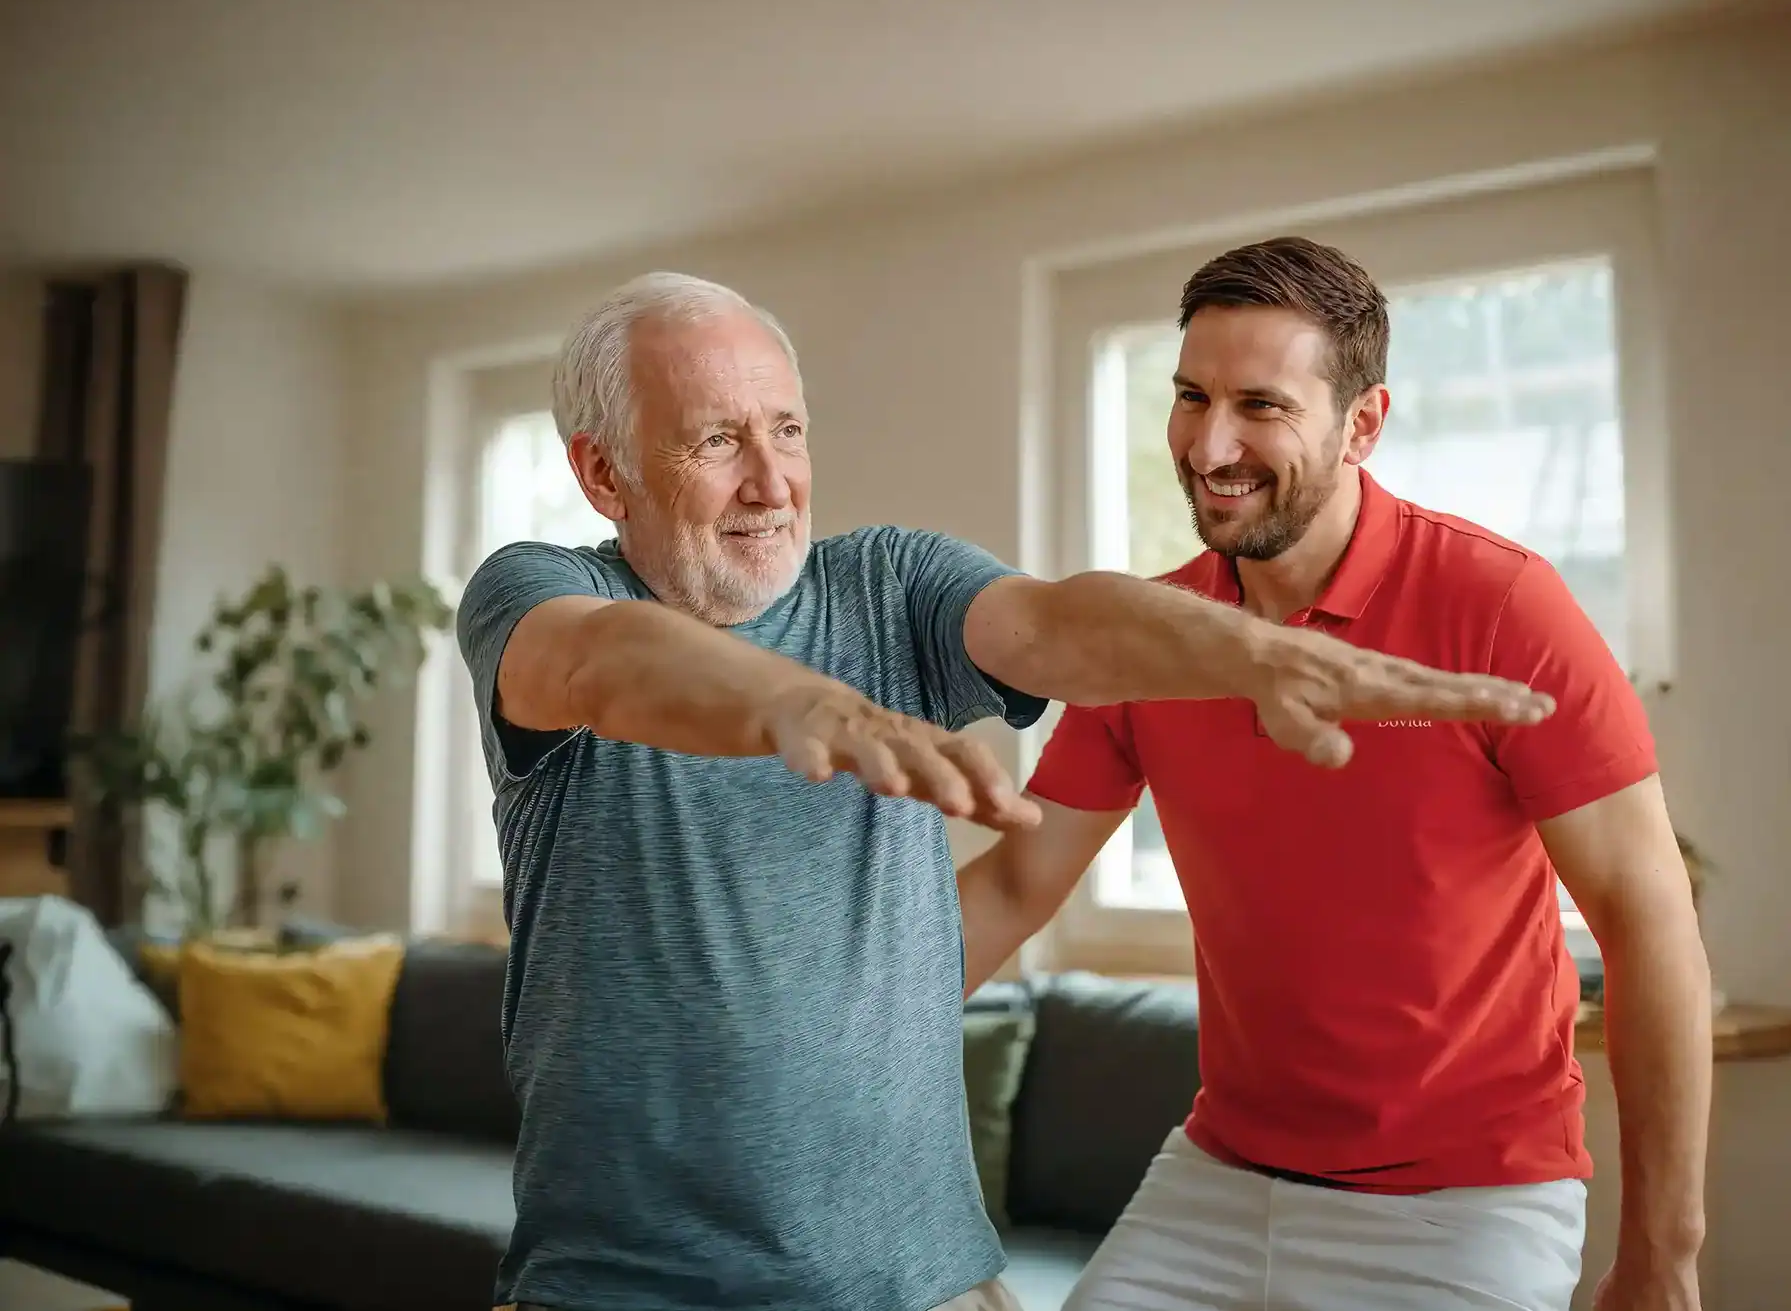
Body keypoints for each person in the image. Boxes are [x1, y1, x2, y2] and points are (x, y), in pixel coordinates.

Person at [455, 270, 1554, 1311]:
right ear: (604, 473)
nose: (772, 479)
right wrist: (793, 704)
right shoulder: (534, 590)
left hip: (932, 1281)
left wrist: (1242, 647)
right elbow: (603, 661)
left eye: (786, 428)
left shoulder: (883, 582)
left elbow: (1054, 621)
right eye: (716, 441)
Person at [958, 237, 1714, 1311]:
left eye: (1259, 404)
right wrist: (801, 1027)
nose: (1209, 443)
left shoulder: (1497, 605)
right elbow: (1009, 887)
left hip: (1466, 1206)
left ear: (1361, 422)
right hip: (1215, 1177)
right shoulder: (1154, 634)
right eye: (1189, 396)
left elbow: (1649, 919)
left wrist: (1662, 1250)